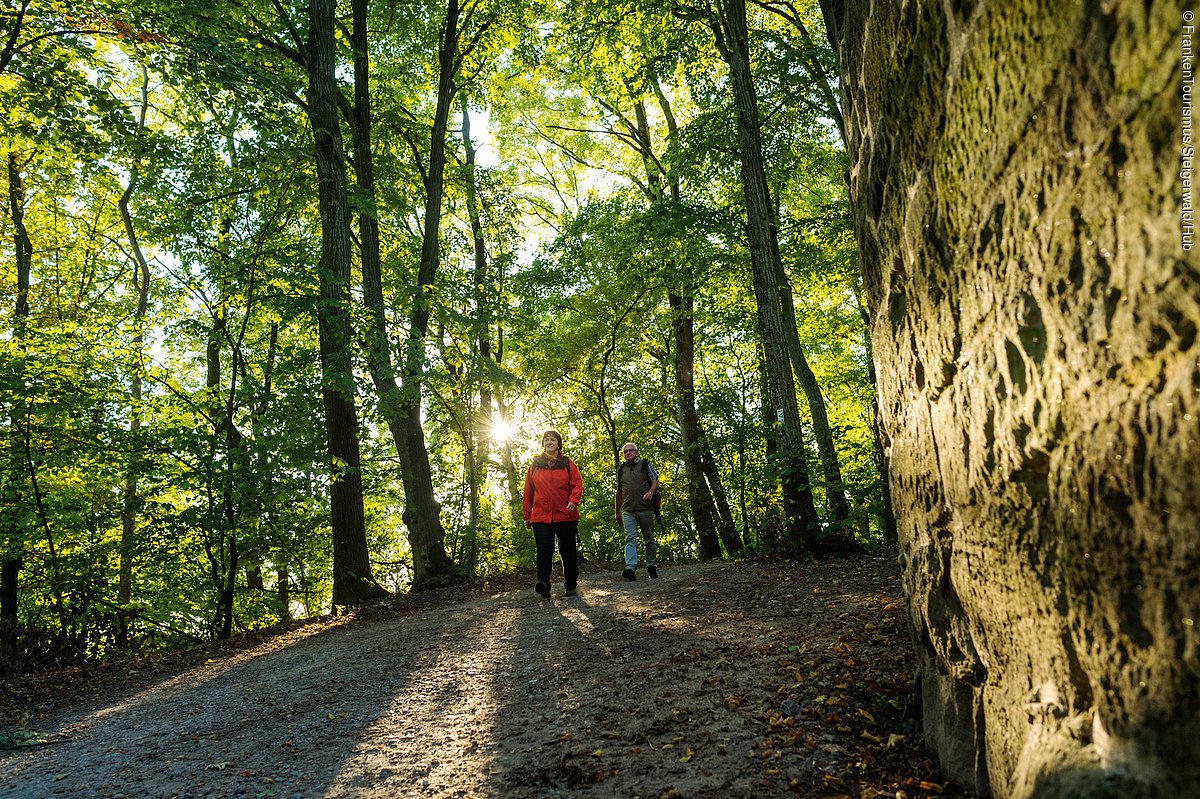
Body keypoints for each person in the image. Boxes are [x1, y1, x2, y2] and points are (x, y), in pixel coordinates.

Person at [522, 429, 583, 598]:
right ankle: (543, 583)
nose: (550, 442)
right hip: (541, 516)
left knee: (568, 550)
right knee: (543, 550)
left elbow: (577, 484)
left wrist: (573, 500)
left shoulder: (567, 463)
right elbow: (528, 491)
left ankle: (570, 584)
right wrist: (527, 515)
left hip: (566, 514)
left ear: (558, 444)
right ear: (543, 444)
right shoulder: (534, 465)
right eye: (547, 440)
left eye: (553, 440)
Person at [614, 441, 659, 581]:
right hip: (628, 510)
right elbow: (619, 492)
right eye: (625, 451)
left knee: (649, 539)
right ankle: (630, 567)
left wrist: (651, 492)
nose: (628, 453)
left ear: (636, 452)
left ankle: (651, 566)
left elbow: (655, 481)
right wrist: (617, 512)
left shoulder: (645, 464)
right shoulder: (620, 470)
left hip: (646, 508)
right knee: (630, 538)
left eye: (630, 450)